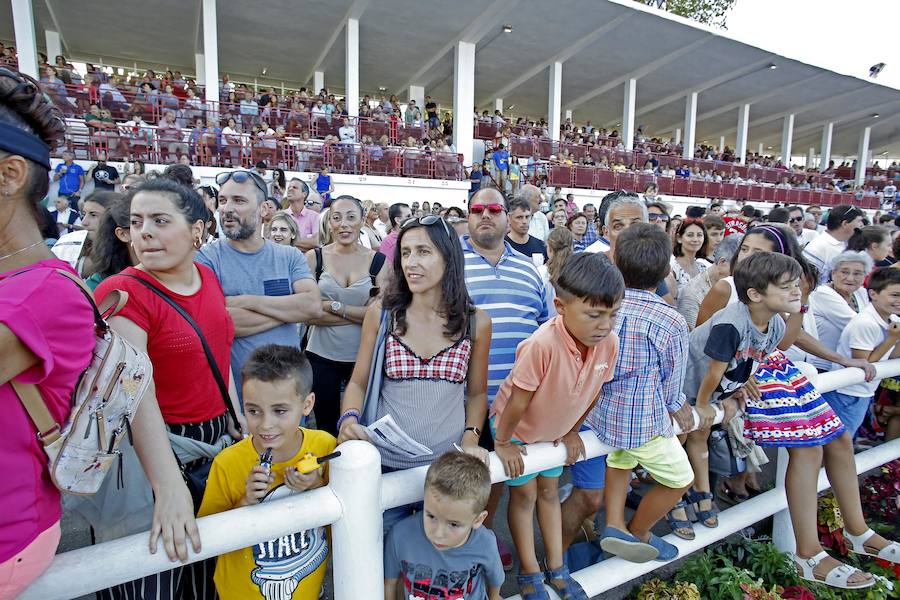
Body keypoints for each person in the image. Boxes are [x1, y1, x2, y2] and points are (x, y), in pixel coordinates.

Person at [94, 178, 243, 599]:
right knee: (151, 576)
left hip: (214, 443)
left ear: (198, 230)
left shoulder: (207, 277)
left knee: (207, 577)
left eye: (160, 220)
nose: (145, 232)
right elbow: (135, 395)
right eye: (137, 222)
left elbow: (219, 349)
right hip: (151, 453)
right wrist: (168, 486)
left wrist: (233, 415)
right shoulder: (123, 292)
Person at [337, 214, 492, 526]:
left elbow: (476, 394)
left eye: (423, 251)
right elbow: (357, 382)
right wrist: (349, 419)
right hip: (382, 467)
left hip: (444, 473)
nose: (411, 262)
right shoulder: (382, 315)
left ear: (449, 257)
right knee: (380, 564)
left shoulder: (477, 322)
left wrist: (471, 441)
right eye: (405, 253)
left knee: (429, 565)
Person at [491, 252, 621, 600]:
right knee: (524, 496)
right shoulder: (541, 344)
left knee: (549, 493)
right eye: (594, 315)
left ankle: (556, 564)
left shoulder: (608, 343)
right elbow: (516, 401)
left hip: (552, 433)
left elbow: (592, 393)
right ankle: (529, 571)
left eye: (612, 314)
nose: (605, 325)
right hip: (515, 431)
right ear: (560, 306)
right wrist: (503, 442)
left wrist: (572, 429)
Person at [590, 224, 695, 560]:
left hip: (599, 411)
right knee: (680, 478)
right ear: (666, 270)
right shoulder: (670, 319)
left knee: (620, 460)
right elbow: (672, 378)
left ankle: (615, 523)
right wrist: (677, 405)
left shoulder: (602, 306)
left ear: (616, 263)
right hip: (640, 419)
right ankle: (640, 531)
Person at [198, 345, 336, 600]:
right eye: (253, 411)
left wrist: (316, 486)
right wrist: (245, 501)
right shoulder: (227, 464)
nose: (265, 424)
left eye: (280, 411)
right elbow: (208, 537)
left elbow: (344, 516)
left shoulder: (325, 447)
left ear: (307, 405)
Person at [681, 253, 797, 543]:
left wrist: (739, 387)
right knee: (682, 437)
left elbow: (754, 360)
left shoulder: (777, 326)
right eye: (785, 286)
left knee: (700, 435)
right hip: (687, 384)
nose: (795, 291)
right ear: (755, 294)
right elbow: (711, 370)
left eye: (795, 284)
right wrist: (704, 404)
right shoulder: (731, 323)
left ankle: (701, 491)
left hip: (716, 387)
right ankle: (679, 494)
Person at [196, 170, 321, 403]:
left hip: (289, 394)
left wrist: (246, 301)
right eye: (223, 201)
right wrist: (288, 313)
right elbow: (215, 324)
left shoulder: (290, 255)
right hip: (236, 401)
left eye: (239, 200)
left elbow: (313, 306)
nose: (227, 208)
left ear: (264, 210)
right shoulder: (207, 258)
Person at [304, 196, 387, 433]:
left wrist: (331, 305)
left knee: (361, 425)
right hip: (320, 355)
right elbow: (307, 313)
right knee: (325, 426)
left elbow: (380, 316)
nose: (344, 224)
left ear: (362, 221)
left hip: (363, 356)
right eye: (336, 218)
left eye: (351, 217)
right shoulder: (315, 258)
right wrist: (361, 313)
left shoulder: (378, 261)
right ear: (329, 223)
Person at [384, 452, 504, 600]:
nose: (438, 533)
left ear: (478, 519)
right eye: (431, 516)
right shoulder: (400, 535)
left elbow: (495, 580)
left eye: (453, 524)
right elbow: (389, 582)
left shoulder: (485, 543)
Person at [823, 267, 900, 437]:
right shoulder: (866, 323)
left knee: (843, 443)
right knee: (838, 444)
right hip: (846, 394)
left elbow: (892, 356)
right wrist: (891, 339)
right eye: (894, 295)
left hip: (862, 392)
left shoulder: (892, 319)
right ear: (873, 294)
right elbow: (863, 364)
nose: (898, 300)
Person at [678, 234, 742, 329]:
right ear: (722, 263)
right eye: (740, 269)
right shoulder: (692, 295)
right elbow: (692, 337)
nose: (744, 275)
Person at [803, 204, 865, 284]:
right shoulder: (818, 247)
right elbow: (807, 283)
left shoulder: (847, 243)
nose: (861, 225)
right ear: (845, 223)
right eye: (859, 221)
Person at [85, 194, 136, 290]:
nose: (84, 222)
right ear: (122, 234)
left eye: (93, 215)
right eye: (137, 222)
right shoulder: (100, 285)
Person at [669, 218, 711, 299]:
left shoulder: (704, 267)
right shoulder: (672, 268)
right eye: (690, 235)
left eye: (699, 235)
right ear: (679, 238)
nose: (695, 239)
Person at [283, 178, 322, 251]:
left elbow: (316, 242)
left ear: (304, 194)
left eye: (295, 187)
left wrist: (288, 241)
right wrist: (306, 242)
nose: (290, 189)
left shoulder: (315, 216)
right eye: (289, 187)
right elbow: (275, 241)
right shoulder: (281, 215)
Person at [505, 196, 546, 264]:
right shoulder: (502, 247)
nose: (524, 221)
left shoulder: (541, 246)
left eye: (527, 217)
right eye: (519, 217)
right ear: (509, 218)